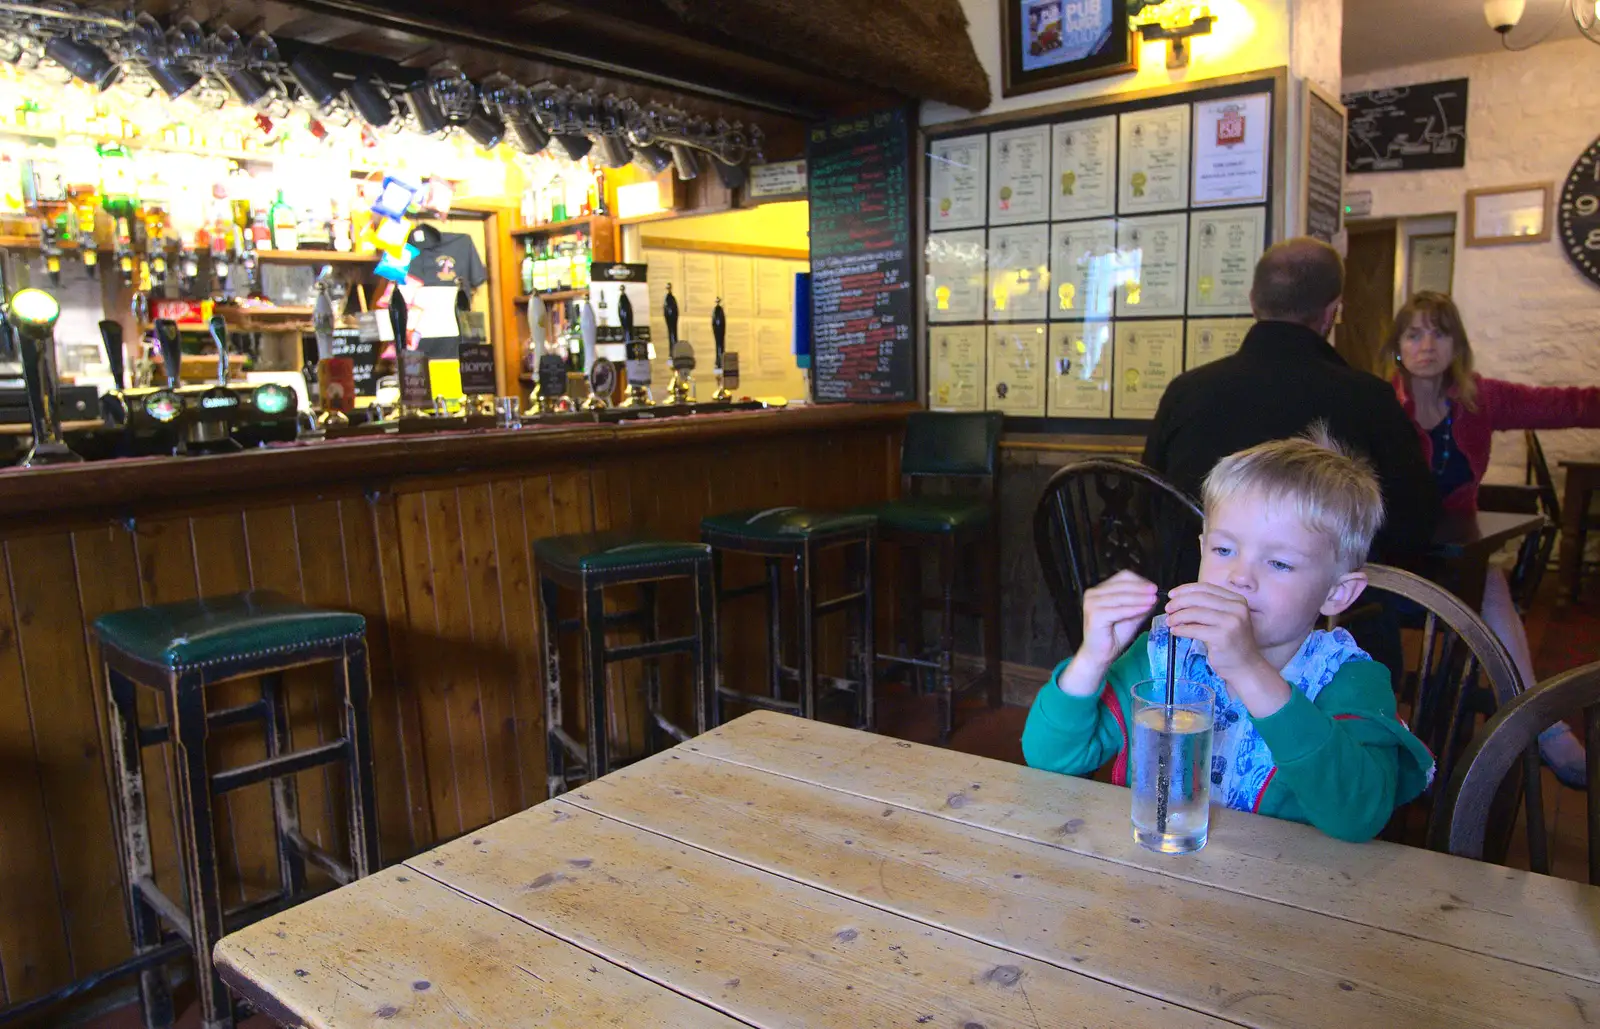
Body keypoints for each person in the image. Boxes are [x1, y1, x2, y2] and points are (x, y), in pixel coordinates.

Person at [1023, 431, 1435, 842]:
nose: (1240, 576)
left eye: (1278, 563)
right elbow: (1049, 759)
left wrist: (1249, 670)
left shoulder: (1348, 679)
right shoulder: (1165, 656)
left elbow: (1359, 815)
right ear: (1202, 550)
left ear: (1336, 593)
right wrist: (1092, 658)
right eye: (1223, 551)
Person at [1387, 290, 1597, 788]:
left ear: (1457, 343)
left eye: (1439, 332)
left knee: (1490, 583)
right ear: (1397, 345)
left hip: (1458, 560)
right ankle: (1392, 738)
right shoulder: (1382, 402)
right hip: (1391, 557)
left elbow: (1561, 405)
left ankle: (1543, 728)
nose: (1427, 345)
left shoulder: (1479, 398)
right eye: (1414, 333)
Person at [1144, 237, 1438, 568]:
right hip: (1324, 614)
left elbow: (1147, 505)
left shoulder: (1185, 391)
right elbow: (1415, 527)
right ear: (1331, 312)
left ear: (1253, 302)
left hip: (1187, 600)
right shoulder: (1370, 399)